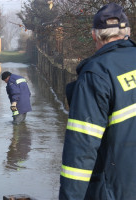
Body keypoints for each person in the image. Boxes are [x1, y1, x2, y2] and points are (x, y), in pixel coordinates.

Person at [59, 3, 136, 199]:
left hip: (114, 190)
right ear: (128, 31)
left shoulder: (96, 74)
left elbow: (81, 151)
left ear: (94, 35)